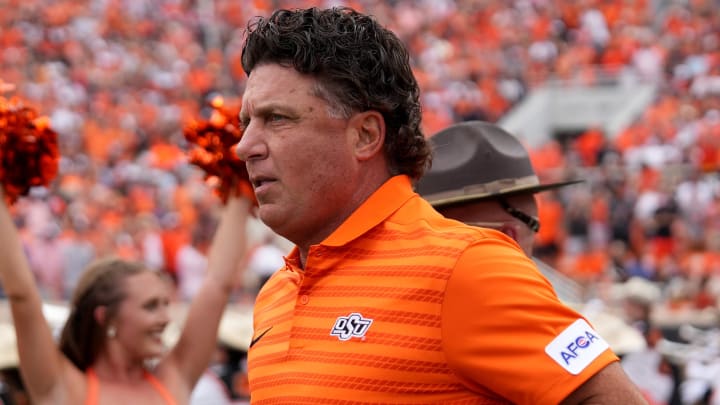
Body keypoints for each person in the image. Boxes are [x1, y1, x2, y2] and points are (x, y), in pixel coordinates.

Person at [235, 6, 646, 404]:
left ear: (364, 136)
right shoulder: (275, 294)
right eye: (246, 123)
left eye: (277, 119)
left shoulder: (466, 267)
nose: (245, 146)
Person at [0, 184, 251, 404]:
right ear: (106, 318)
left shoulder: (172, 380)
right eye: (151, 306)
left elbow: (218, 284)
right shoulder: (63, 387)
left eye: (165, 304)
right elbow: (23, 295)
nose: (166, 318)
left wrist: (240, 184)